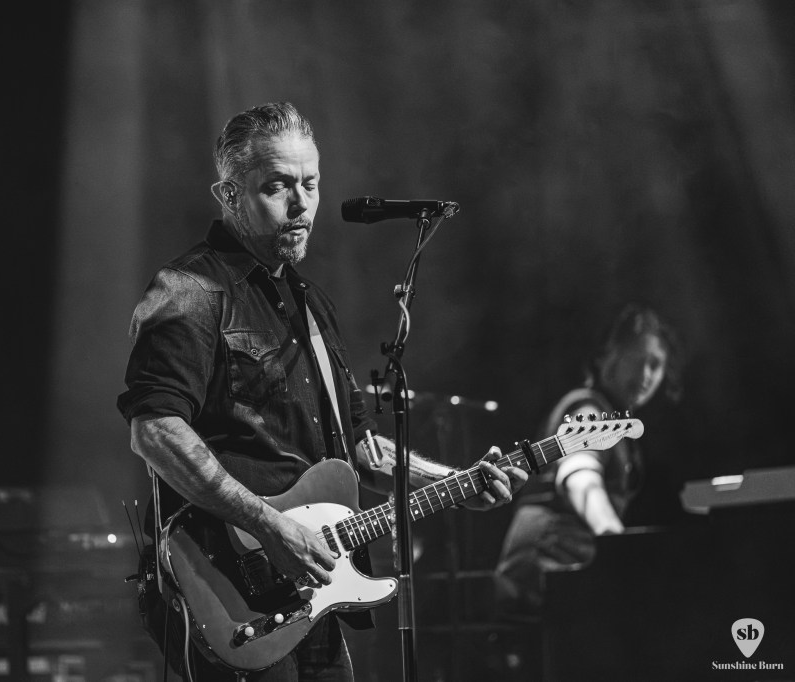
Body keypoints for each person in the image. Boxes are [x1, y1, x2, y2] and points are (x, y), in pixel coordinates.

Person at [117, 101, 529, 682]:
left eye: (310, 183)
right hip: (226, 589)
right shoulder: (191, 290)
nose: (302, 204)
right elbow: (154, 429)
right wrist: (267, 525)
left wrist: (457, 483)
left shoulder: (312, 305)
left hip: (311, 593)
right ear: (229, 195)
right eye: (278, 187)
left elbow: (360, 448)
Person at [494, 303, 683, 615]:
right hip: (542, 575)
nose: (645, 374)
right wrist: (616, 541)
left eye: (656, 365)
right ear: (607, 355)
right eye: (636, 359)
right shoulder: (588, 410)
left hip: (563, 573)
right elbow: (579, 477)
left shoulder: (614, 420)